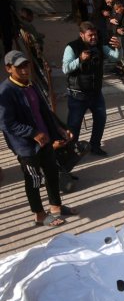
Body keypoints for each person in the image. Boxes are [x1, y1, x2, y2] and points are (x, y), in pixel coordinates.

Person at [0, 51, 77, 227]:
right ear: (8, 69)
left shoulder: (30, 85)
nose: (25, 70)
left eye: (26, 65)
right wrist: (32, 133)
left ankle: (56, 207)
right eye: (19, 67)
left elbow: (44, 111)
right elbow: (6, 123)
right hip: (26, 147)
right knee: (33, 180)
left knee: (51, 174)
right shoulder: (5, 92)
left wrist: (59, 129)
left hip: (45, 141)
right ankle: (39, 215)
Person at [62, 21, 121, 156]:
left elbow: (116, 57)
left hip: (95, 93)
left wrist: (119, 48)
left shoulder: (99, 46)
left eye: (95, 35)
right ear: (81, 35)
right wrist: (80, 59)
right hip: (77, 94)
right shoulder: (72, 47)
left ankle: (95, 145)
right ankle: (71, 151)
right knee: (74, 125)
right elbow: (65, 68)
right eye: (90, 35)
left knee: (100, 119)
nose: (94, 38)